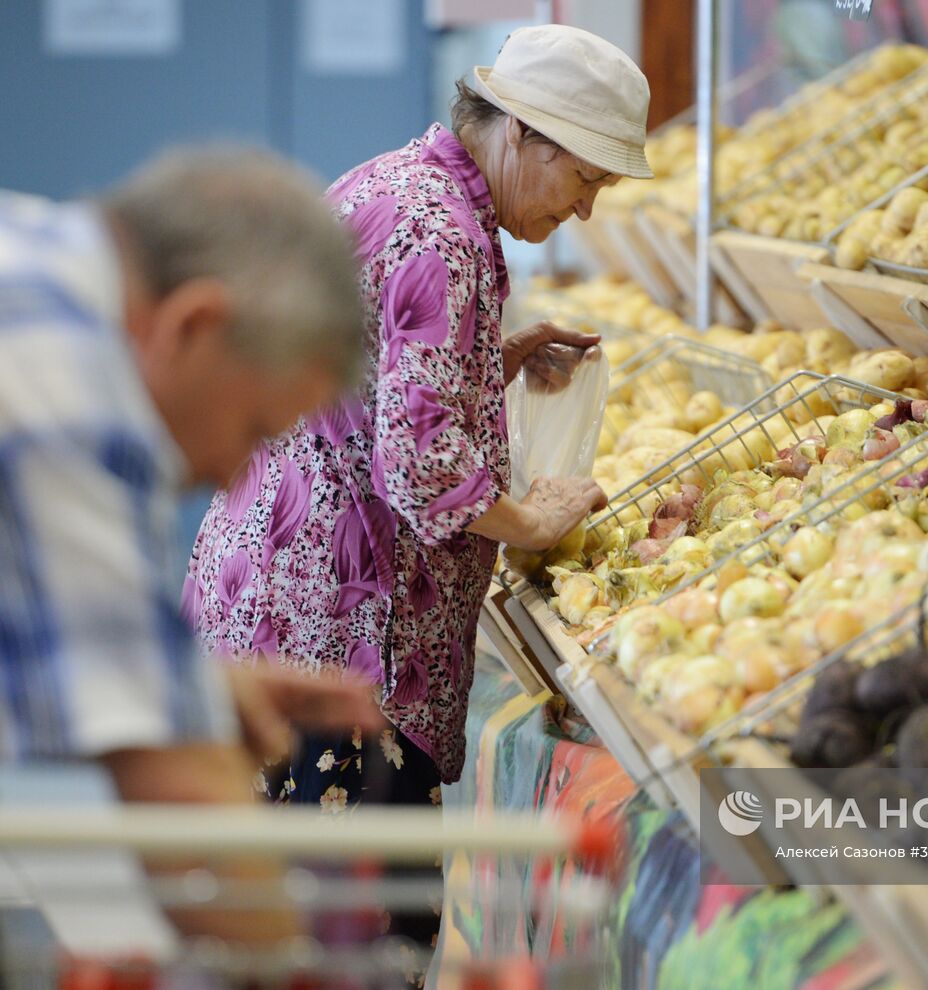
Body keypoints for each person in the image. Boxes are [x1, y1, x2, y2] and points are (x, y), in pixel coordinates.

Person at [184, 22, 652, 938]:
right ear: (522, 133)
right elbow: (422, 468)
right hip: (345, 640)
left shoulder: (394, 183)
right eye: (586, 180)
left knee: (269, 921)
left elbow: (363, 379)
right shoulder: (447, 234)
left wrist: (496, 357)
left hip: (270, 593)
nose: (586, 210)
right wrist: (533, 518)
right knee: (348, 941)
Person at [0, 149, 385, 942]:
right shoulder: (61, 372)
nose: (227, 475)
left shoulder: (35, 261)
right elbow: (182, 803)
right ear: (193, 325)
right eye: (254, 431)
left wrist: (188, 687)